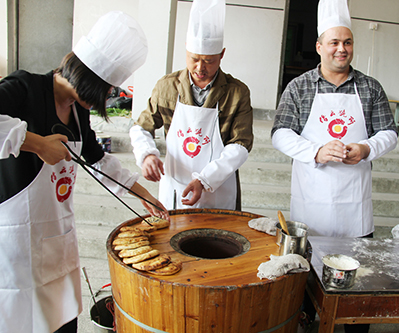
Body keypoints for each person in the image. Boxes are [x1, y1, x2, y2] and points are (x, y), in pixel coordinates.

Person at [0, 11, 168, 333]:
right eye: (107, 90)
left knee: (61, 324)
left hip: (56, 243)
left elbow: (98, 160)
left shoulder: (77, 111)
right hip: (16, 246)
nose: (107, 98)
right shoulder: (25, 88)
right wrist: (35, 143)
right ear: (91, 78)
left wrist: (144, 195)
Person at [272, 0, 397, 239]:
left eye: (347, 42)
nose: (342, 49)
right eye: (334, 43)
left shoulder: (370, 88)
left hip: (355, 204)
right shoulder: (300, 87)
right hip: (311, 200)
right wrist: (316, 151)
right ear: (319, 47)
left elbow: (389, 133)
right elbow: (280, 134)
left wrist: (366, 148)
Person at [130, 0, 253, 211]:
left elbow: (241, 145)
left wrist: (204, 180)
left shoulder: (237, 92)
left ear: (222, 54)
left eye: (209, 61)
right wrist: (147, 154)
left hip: (218, 187)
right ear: (186, 49)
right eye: (194, 59)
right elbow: (141, 127)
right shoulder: (167, 86)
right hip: (175, 187)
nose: (200, 68)